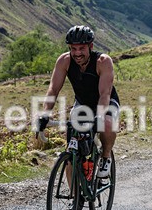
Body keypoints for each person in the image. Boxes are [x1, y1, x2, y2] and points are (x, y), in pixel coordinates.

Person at [37, 25, 119, 181]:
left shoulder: (103, 61)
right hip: (82, 103)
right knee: (72, 155)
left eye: (81, 48)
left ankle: (106, 157)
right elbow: (53, 89)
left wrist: (99, 117)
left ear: (91, 46)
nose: (77, 53)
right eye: (73, 49)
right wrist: (45, 114)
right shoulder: (64, 61)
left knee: (107, 123)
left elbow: (105, 93)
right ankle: (75, 200)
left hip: (106, 102)